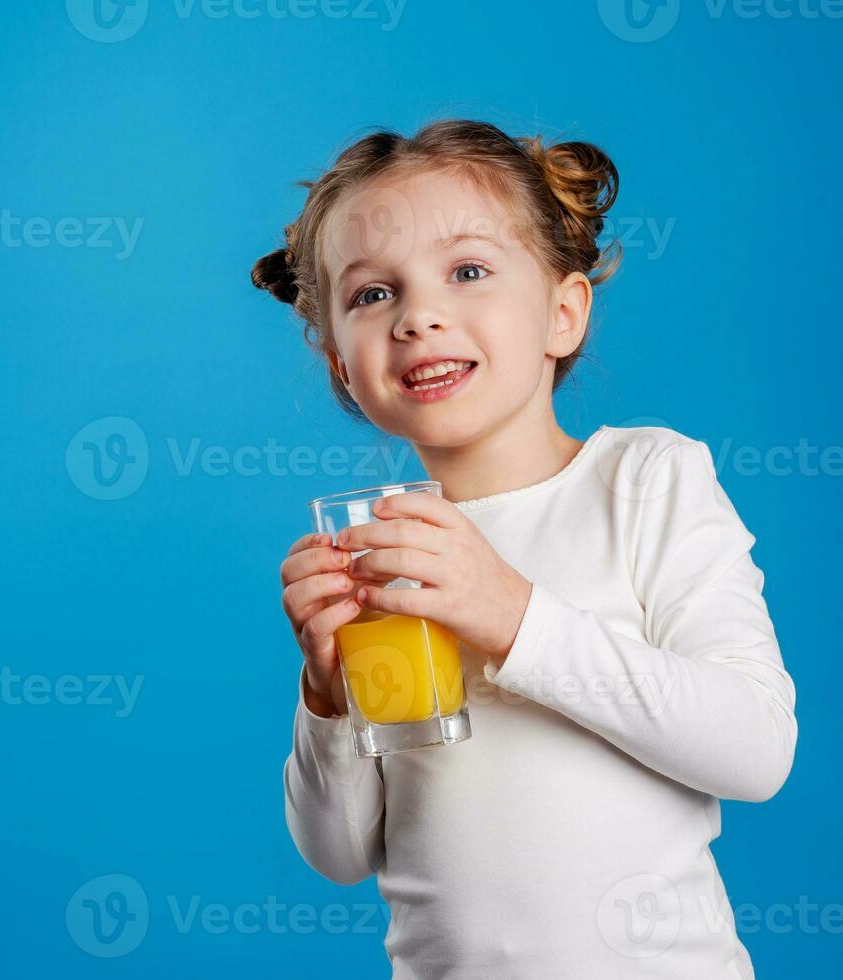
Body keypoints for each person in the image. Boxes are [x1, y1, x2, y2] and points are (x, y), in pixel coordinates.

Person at [254, 118, 797, 979]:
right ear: (340, 366)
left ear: (563, 312)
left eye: (468, 272)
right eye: (371, 295)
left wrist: (510, 613)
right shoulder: (375, 554)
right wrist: (325, 696)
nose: (419, 316)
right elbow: (339, 854)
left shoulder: (645, 481)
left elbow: (755, 750)